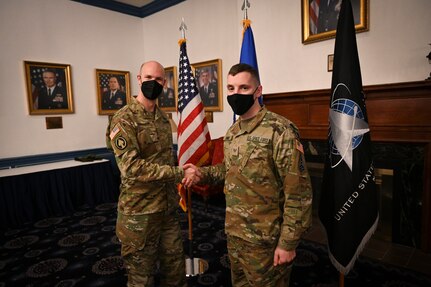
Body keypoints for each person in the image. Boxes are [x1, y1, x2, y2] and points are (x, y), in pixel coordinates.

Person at [184, 63, 313, 287]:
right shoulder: (233, 132)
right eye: (231, 89)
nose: (236, 94)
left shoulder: (280, 130)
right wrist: (201, 174)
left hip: (266, 241)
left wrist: (288, 243)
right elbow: (228, 171)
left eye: (244, 88)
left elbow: (299, 193)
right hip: (235, 235)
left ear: (258, 91)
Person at [106, 61, 189, 287]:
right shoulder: (124, 118)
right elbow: (131, 168)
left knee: (175, 270)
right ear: (139, 79)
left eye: (159, 79)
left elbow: (163, 159)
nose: (154, 83)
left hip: (166, 210)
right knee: (142, 277)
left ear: (164, 83)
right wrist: (178, 173)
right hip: (139, 214)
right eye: (149, 78)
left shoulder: (163, 119)